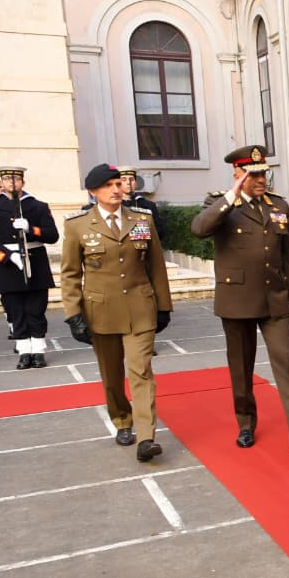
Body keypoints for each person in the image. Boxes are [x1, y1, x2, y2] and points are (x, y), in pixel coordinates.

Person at [191, 146, 289, 451]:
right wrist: (231, 196)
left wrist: (287, 293)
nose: (261, 179)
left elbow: (286, 255)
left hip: (273, 298)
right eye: (253, 174)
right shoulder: (221, 203)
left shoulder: (277, 206)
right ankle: (246, 423)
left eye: (263, 173)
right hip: (237, 299)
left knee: (285, 362)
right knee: (241, 366)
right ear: (238, 174)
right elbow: (199, 229)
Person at [60, 164, 173, 462]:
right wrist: (73, 313)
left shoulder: (142, 220)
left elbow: (156, 267)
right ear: (93, 191)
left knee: (141, 371)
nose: (116, 189)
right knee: (111, 375)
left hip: (140, 307)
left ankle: (147, 437)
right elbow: (70, 274)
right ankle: (123, 420)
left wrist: (163, 306)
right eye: (108, 185)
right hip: (101, 311)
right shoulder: (78, 225)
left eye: (118, 183)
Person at [0, 166, 58, 369]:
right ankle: (24, 350)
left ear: (23, 182)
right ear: (1, 183)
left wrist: (32, 229)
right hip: (7, 265)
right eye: (7, 179)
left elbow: (52, 235)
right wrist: (8, 256)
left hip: (35, 261)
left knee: (36, 308)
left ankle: (38, 350)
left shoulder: (38, 207)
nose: (12, 182)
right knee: (15, 309)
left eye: (16, 179)